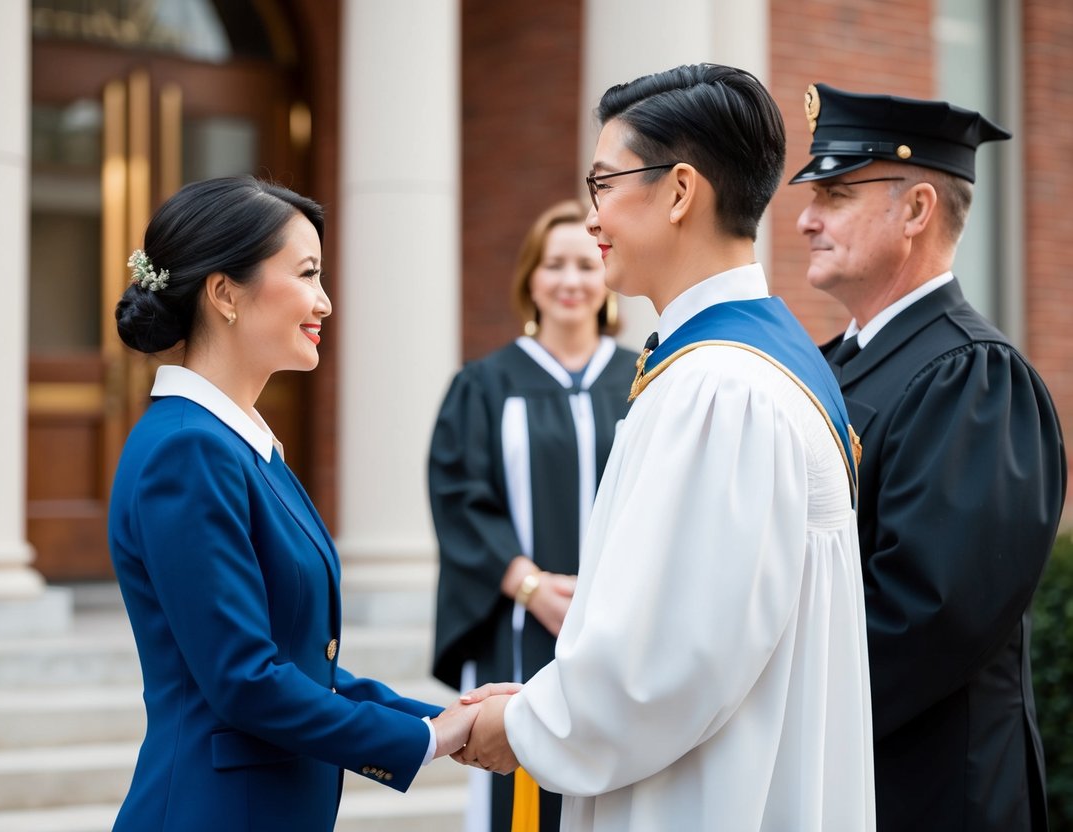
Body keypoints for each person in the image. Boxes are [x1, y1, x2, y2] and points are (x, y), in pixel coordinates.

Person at [457, 64, 875, 831]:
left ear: (680, 191)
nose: (591, 219)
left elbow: (667, 665)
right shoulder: (756, 361)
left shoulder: (719, 388)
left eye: (603, 184)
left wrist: (522, 727)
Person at [107, 176, 489, 831]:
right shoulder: (187, 450)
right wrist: (427, 742)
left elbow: (304, 665)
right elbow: (245, 678)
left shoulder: (238, 444)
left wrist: (447, 722)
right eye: (308, 274)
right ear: (225, 293)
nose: (326, 302)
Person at [791, 83, 1068, 831]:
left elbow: (926, 616)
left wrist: (770, 715)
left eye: (837, 193)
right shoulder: (832, 364)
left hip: (931, 796)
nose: (804, 219)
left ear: (915, 210)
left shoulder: (972, 376)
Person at [428, 199, 637, 832]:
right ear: (531, 279)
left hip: (619, 624)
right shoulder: (485, 385)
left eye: (585, 263)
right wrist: (530, 585)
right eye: (554, 265)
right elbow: (459, 496)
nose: (570, 281)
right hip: (515, 625)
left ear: (606, 276)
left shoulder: (645, 377)